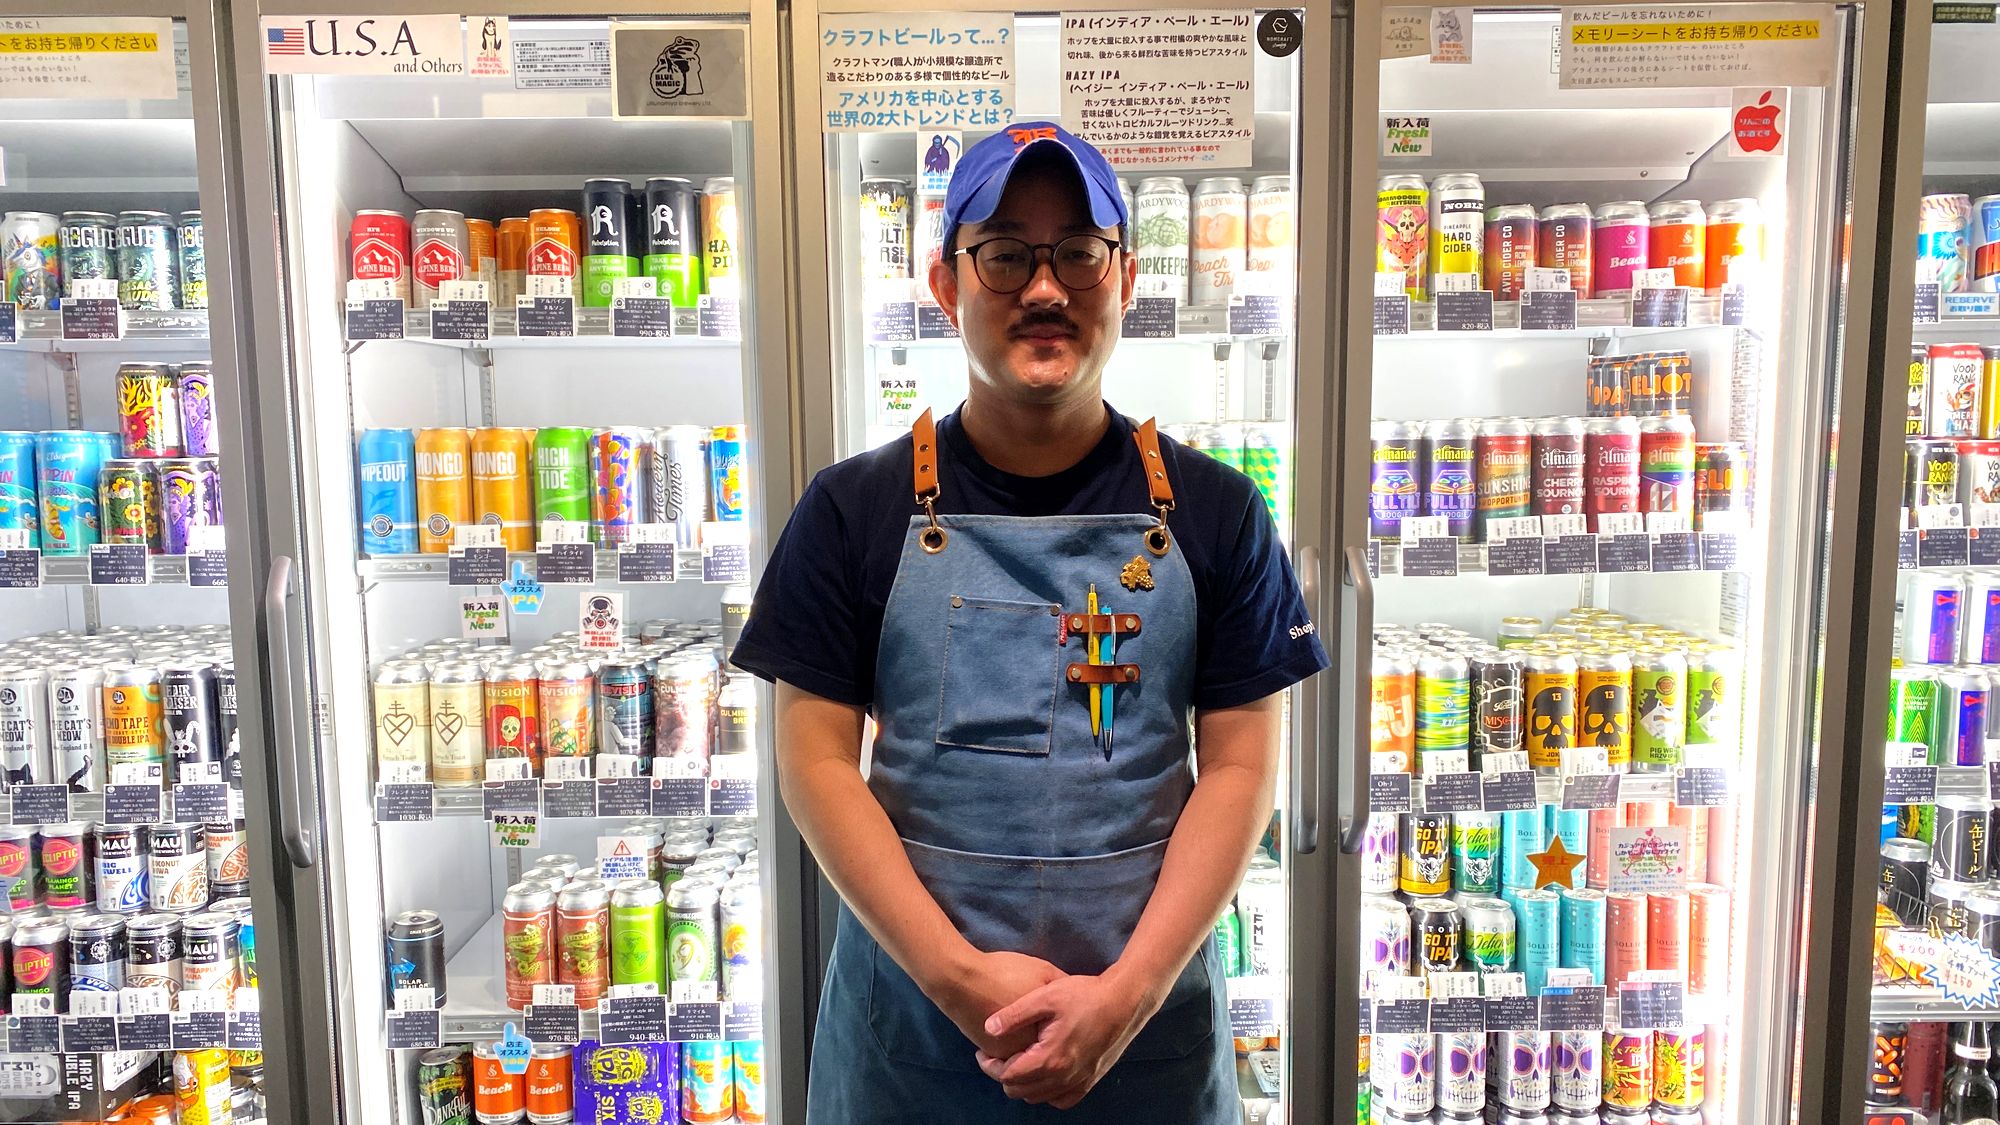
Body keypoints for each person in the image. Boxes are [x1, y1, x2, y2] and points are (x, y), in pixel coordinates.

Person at [729, 121, 1329, 1122]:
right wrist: (957, 977)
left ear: (1125, 278)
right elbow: (815, 762)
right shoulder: (851, 509)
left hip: (1144, 1036)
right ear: (945, 283)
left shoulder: (1219, 512)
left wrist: (1126, 996)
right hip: (913, 1042)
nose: (1044, 289)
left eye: (1079, 253)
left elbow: (1238, 769)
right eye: (1004, 254)